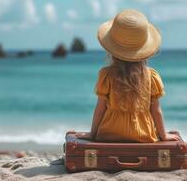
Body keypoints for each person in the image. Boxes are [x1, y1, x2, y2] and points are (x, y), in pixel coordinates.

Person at [77, 9, 179, 142]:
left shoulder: (106, 75)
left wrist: (92, 134)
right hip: (143, 136)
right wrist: (163, 135)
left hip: (109, 135)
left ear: (112, 50)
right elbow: (156, 111)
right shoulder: (151, 77)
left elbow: (100, 108)